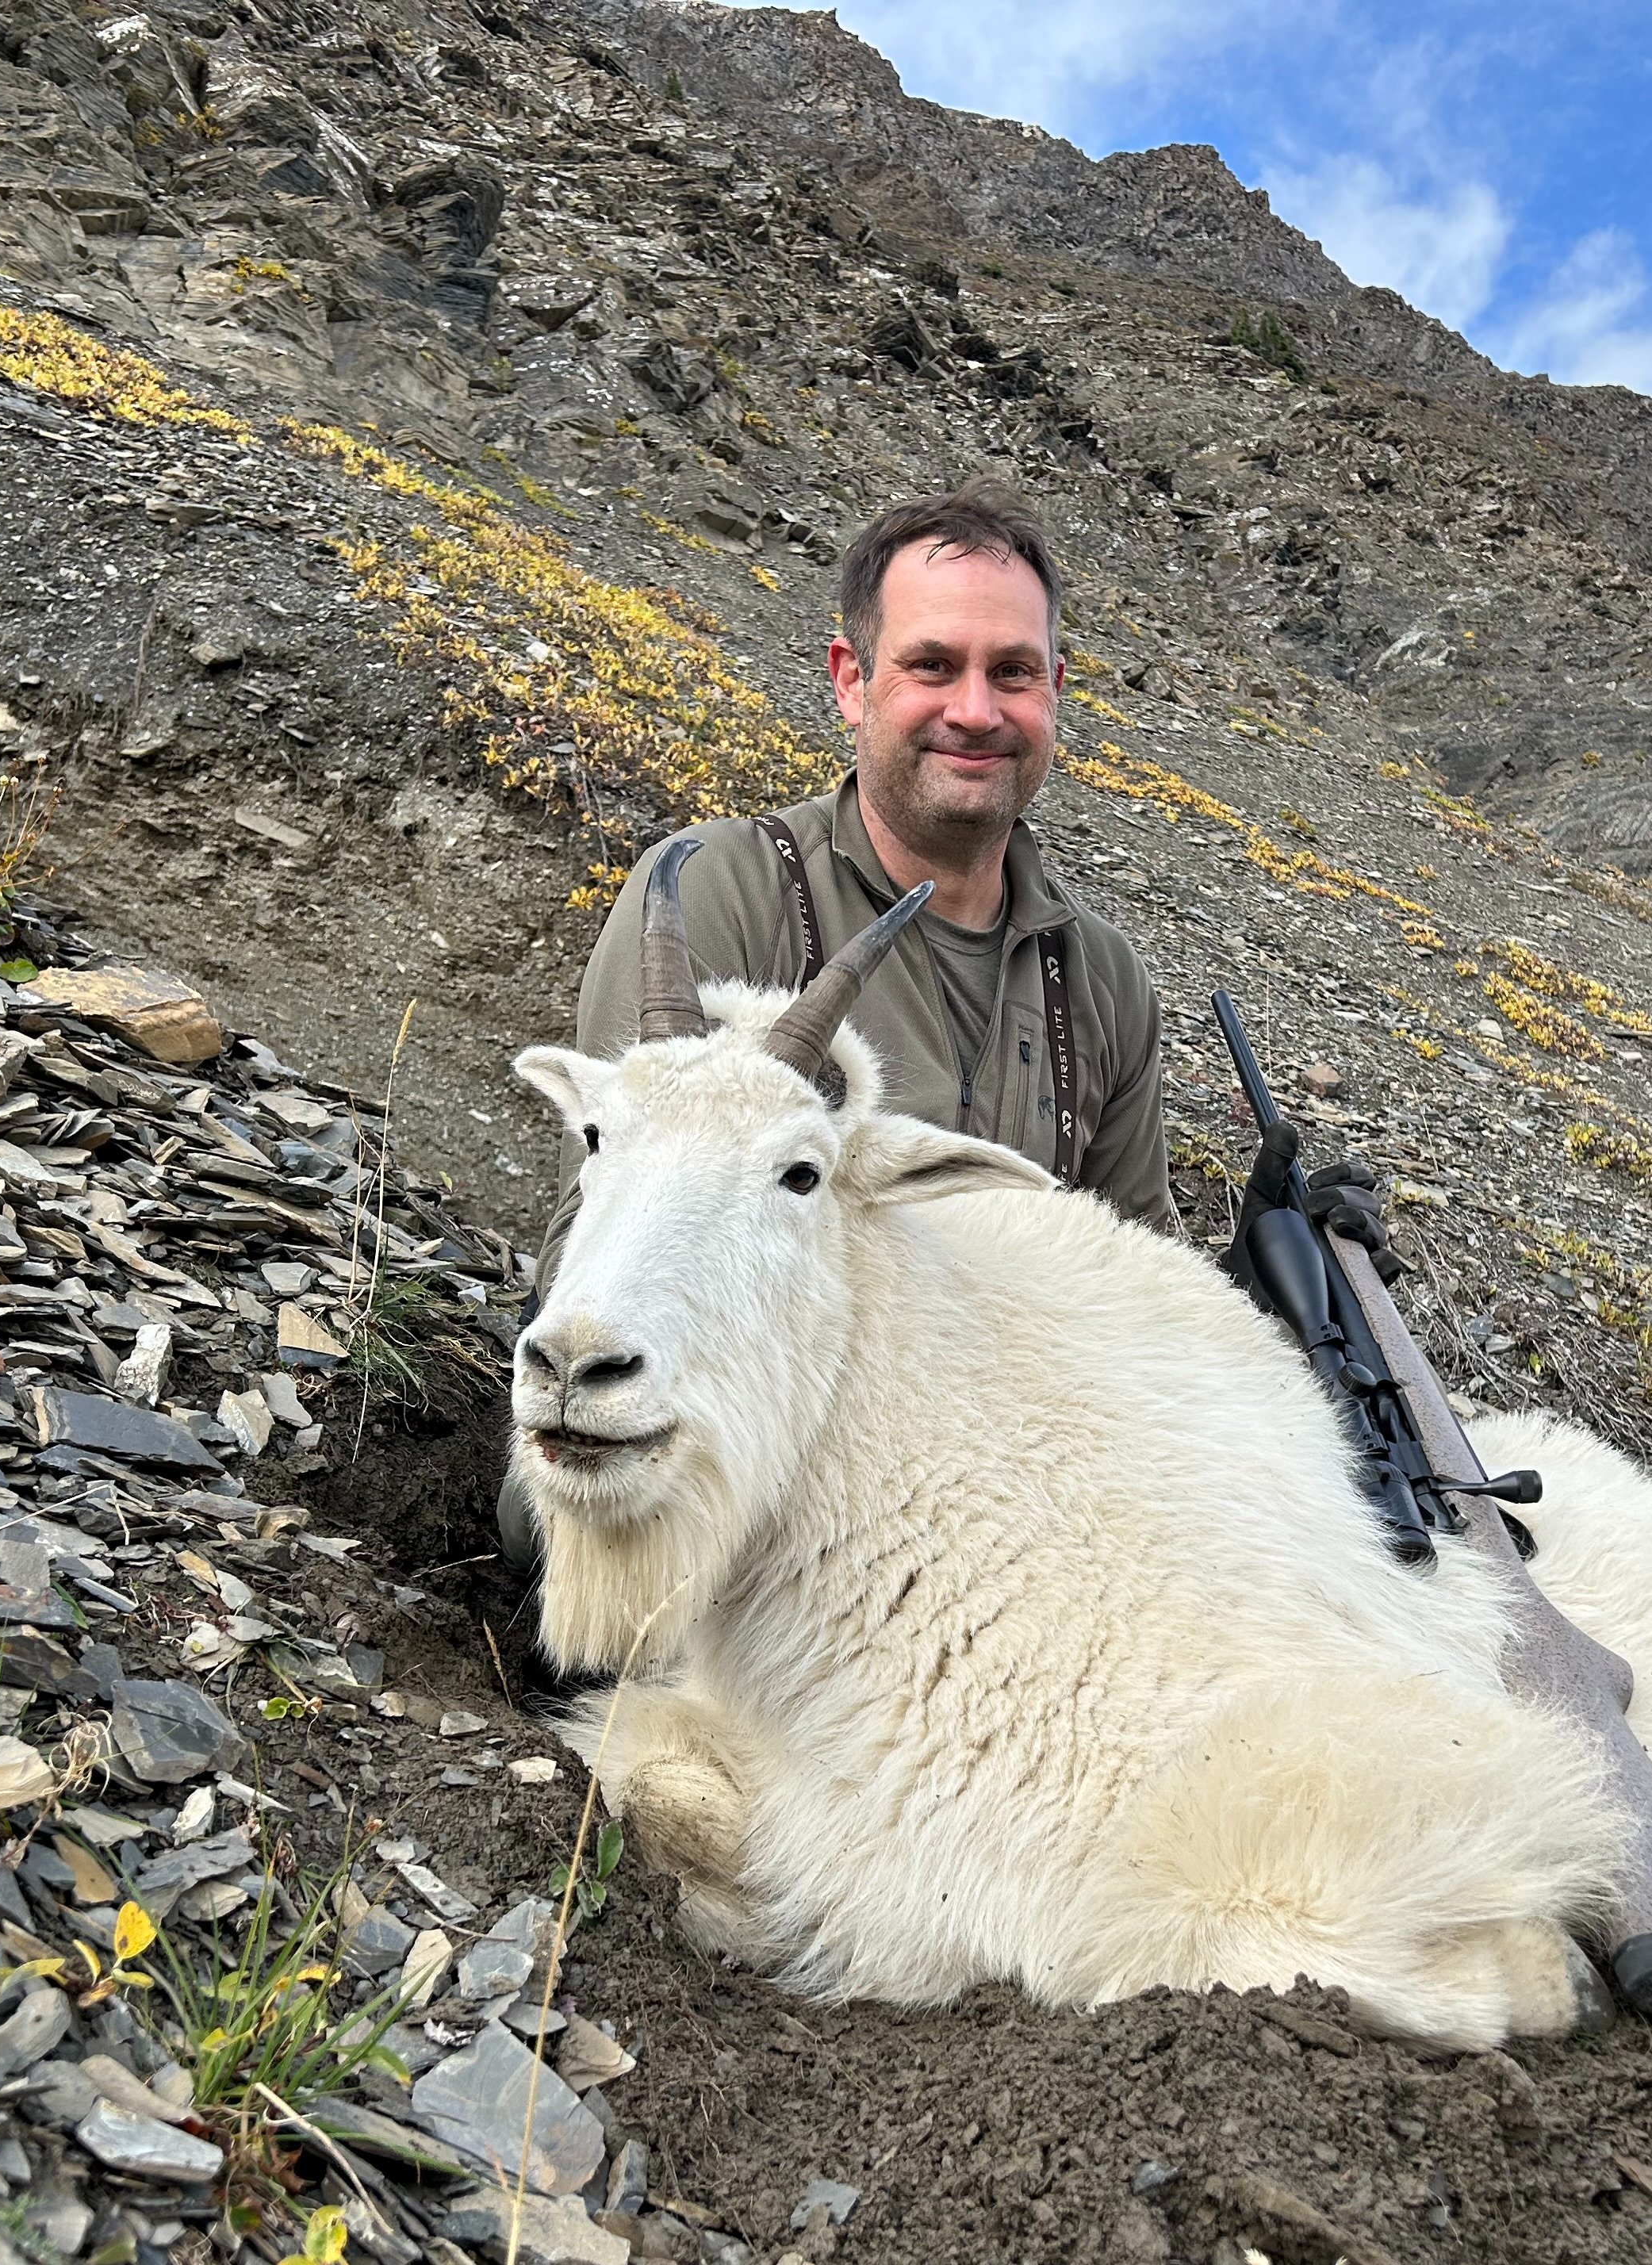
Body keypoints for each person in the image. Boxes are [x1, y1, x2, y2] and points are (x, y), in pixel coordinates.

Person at [500, 481, 1177, 1566]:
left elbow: (1135, 1284)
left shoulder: (1099, 976)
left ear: (1056, 690)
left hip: (1019, 1488)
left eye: (1013, 672)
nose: (975, 709)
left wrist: (1279, 1266)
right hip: (720, 1458)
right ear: (851, 682)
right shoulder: (722, 892)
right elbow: (606, 1242)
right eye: (930, 665)